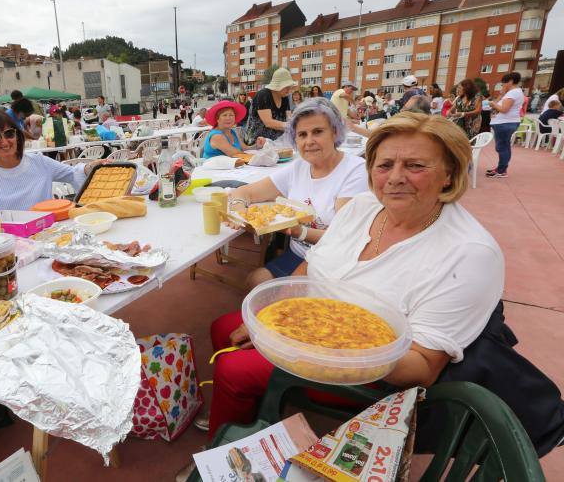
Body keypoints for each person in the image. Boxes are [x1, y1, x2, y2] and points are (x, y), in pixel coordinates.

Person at [205, 112, 505, 439]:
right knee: (224, 328)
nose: (395, 178)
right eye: (384, 165)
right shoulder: (363, 207)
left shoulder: (470, 253)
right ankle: (262, 412)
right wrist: (277, 322)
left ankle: (225, 449)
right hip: (307, 325)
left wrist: (310, 343)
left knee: (233, 369)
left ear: (450, 174)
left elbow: (422, 367)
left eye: (416, 166)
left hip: (371, 374)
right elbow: (310, 268)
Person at [228, 97, 368, 289]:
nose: (309, 141)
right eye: (302, 134)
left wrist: (299, 231)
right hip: (299, 253)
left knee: (284, 302)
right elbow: (245, 192)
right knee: (254, 281)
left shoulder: (355, 171)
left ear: (335, 132)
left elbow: (342, 236)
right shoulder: (299, 167)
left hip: (334, 259)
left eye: (318, 132)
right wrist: (238, 212)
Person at [0, 111, 101, 214]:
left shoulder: (39, 162)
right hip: (12, 239)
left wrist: (91, 167)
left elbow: (73, 174)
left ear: (17, 135)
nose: (4, 142)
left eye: (9, 134)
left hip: (48, 233)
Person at [486, 72, 524, 178]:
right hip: (507, 123)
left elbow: (504, 109)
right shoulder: (515, 92)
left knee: (502, 147)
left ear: (511, 81)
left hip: (505, 123)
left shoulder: (513, 93)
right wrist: (501, 96)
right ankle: (501, 168)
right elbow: (501, 106)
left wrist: (492, 103)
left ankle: (502, 170)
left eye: (503, 83)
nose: (502, 86)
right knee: (504, 146)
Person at [244, 68, 295, 143]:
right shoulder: (263, 95)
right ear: (277, 85)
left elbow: (289, 118)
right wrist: (291, 126)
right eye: (286, 87)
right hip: (256, 142)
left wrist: (295, 123)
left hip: (276, 142)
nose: (289, 90)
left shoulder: (284, 97)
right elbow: (268, 122)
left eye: (290, 87)